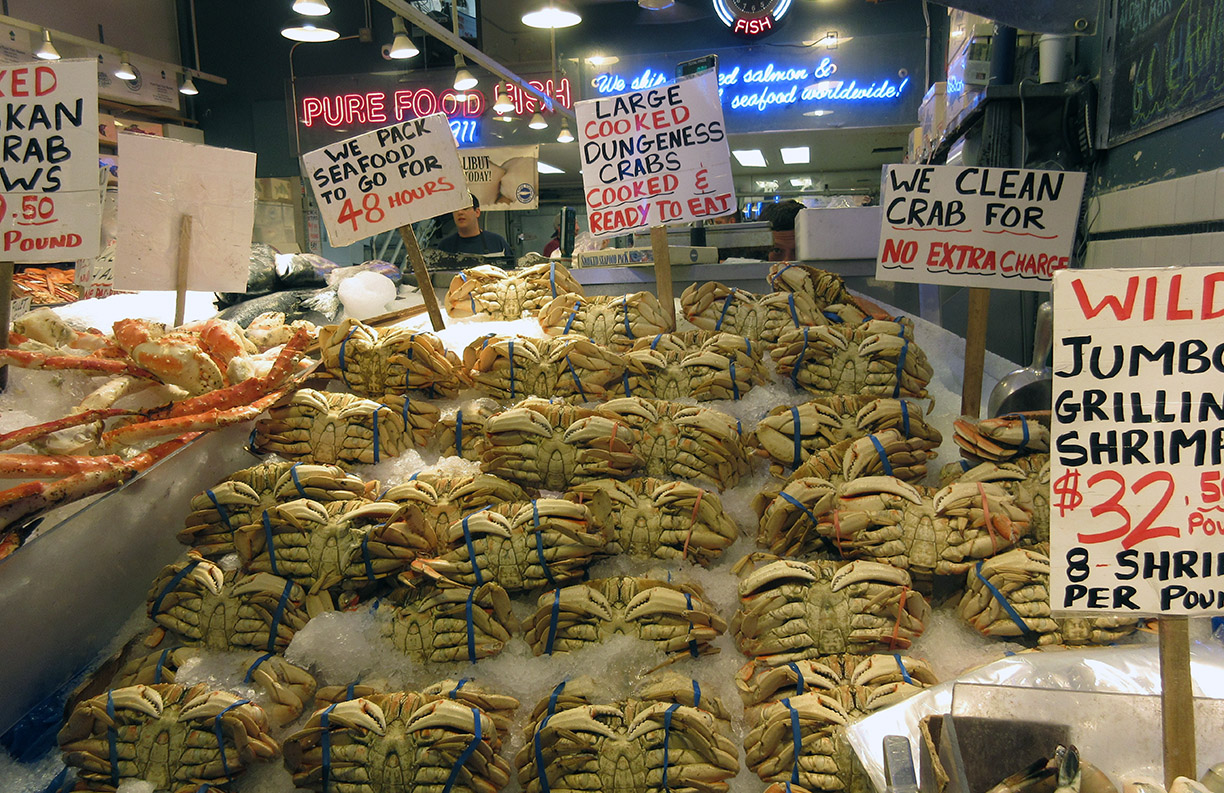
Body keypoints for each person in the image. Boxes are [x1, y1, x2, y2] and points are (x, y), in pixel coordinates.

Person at [436, 193, 511, 256]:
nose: (460, 212)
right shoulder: (445, 247)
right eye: (456, 209)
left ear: (477, 212)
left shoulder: (497, 242)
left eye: (465, 208)